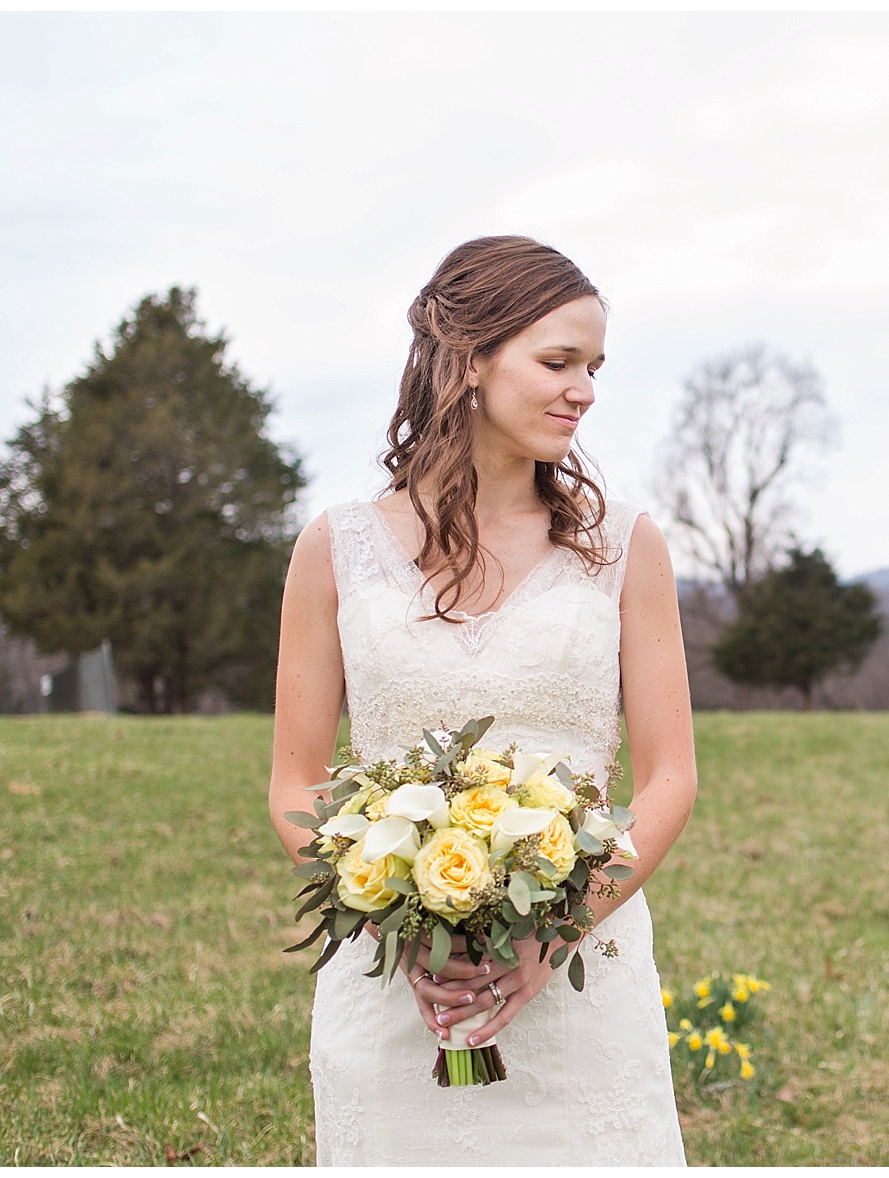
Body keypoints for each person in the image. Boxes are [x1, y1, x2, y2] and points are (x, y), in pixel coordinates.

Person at [267, 236, 695, 1165]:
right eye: (557, 361)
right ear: (468, 361)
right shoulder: (332, 549)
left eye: (594, 367)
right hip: (393, 989)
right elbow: (296, 784)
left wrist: (551, 940)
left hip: (585, 985)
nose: (584, 390)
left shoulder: (626, 547)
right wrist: (404, 920)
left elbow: (670, 779)